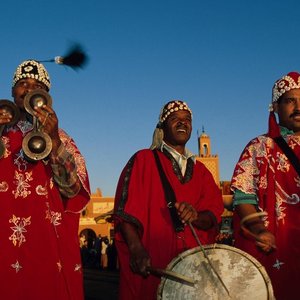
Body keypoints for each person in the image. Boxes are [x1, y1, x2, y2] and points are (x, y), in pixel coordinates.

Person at [114, 100, 224, 300]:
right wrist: (136, 249)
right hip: (154, 261)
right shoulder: (143, 160)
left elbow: (213, 215)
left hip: (193, 268)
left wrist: (196, 216)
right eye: (175, 119)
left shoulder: (202, 172)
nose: (183, 123)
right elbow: (124, 212)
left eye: (187, 120)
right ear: (162, 127)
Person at [0, 60, 90, 300]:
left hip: (46, 248)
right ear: (12, 91)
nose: (29, 89)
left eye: (37, 85)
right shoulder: (1, 132)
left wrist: (54, 142)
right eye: (23, 84)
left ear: (45, 96)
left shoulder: (61, 137)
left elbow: (72, 190)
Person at [231, 71, 300, 299]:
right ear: (276, 107)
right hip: (277, 248)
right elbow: (243, 196)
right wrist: (259, 229)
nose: (298, 107)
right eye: (290, 100)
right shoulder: (259, 147)